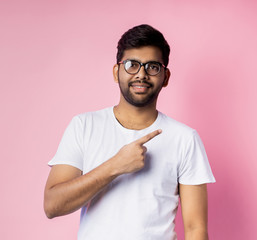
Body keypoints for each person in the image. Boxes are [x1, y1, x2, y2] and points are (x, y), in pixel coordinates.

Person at [44, 24, 215, 240]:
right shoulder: (83, 126)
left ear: (166, 76)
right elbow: (52, 205)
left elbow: (195, 229)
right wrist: (115, 166)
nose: (141, 74)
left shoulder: (185, 139)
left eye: (152, 67)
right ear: (117, 72)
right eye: (132, 65)